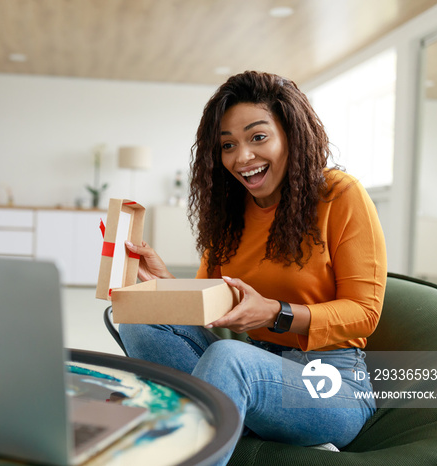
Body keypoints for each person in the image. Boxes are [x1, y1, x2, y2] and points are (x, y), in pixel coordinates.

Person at [119, 71, 387, 462]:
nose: (242, 157)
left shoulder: (340, 195)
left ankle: (219, 424)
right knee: (139, 321)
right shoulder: (232, 212)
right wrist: (165, 284)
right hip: (254, 367)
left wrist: (278, 314)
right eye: (228, 145)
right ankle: (242, 416)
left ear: (292, 135)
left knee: (230, 360)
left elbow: (365, 313)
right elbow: (210, 304)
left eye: (258, 137)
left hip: (330, 383)